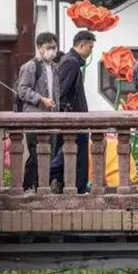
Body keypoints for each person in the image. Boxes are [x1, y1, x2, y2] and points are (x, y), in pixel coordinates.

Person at [50, 30, 96, 194]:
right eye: (90, 47)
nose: (91, 51)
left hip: (75, 116)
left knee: (73, 154)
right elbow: (61, 92)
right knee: (74, 154)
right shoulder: (71, 62)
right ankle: (75, 186)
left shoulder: (71, 61)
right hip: (73, 118)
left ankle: (72, 184)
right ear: (82, 45)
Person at [16, 32, 60, 191]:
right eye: (49, 48)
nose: (52, 51)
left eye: (54, 47)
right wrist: (41, 99)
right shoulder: (30, 66)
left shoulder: (54, 68)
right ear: (39, 48)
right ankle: (30, 186)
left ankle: (38, 185)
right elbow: (22, 90)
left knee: (48, 153)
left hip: (52, 116)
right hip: (35, 116)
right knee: (36, 153)